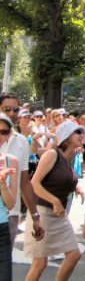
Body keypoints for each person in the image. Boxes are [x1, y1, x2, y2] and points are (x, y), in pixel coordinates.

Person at [24, 120, 85, 281]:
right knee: (40, 263)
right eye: (77, 132)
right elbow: (34, 184)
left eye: (81, 132)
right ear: (65, 137)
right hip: (42, 212)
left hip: (58, 215)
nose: (81, 135)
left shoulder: (68, 157)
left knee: (74, 255)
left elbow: (63, 179)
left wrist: (77, 188)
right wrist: (55, 201)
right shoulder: (52, 154)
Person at [0, 93, 44, 247]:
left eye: (15, 109)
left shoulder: (22, 141)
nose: (12, 113)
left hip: (11, 215)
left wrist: (35, 216)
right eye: (7, 109)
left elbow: (24, 182)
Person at [0, 114, 19, 280]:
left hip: (2, 230)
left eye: (4, 131)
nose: (0, 136)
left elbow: (11, 204)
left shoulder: (11, 161)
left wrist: (2, 184)